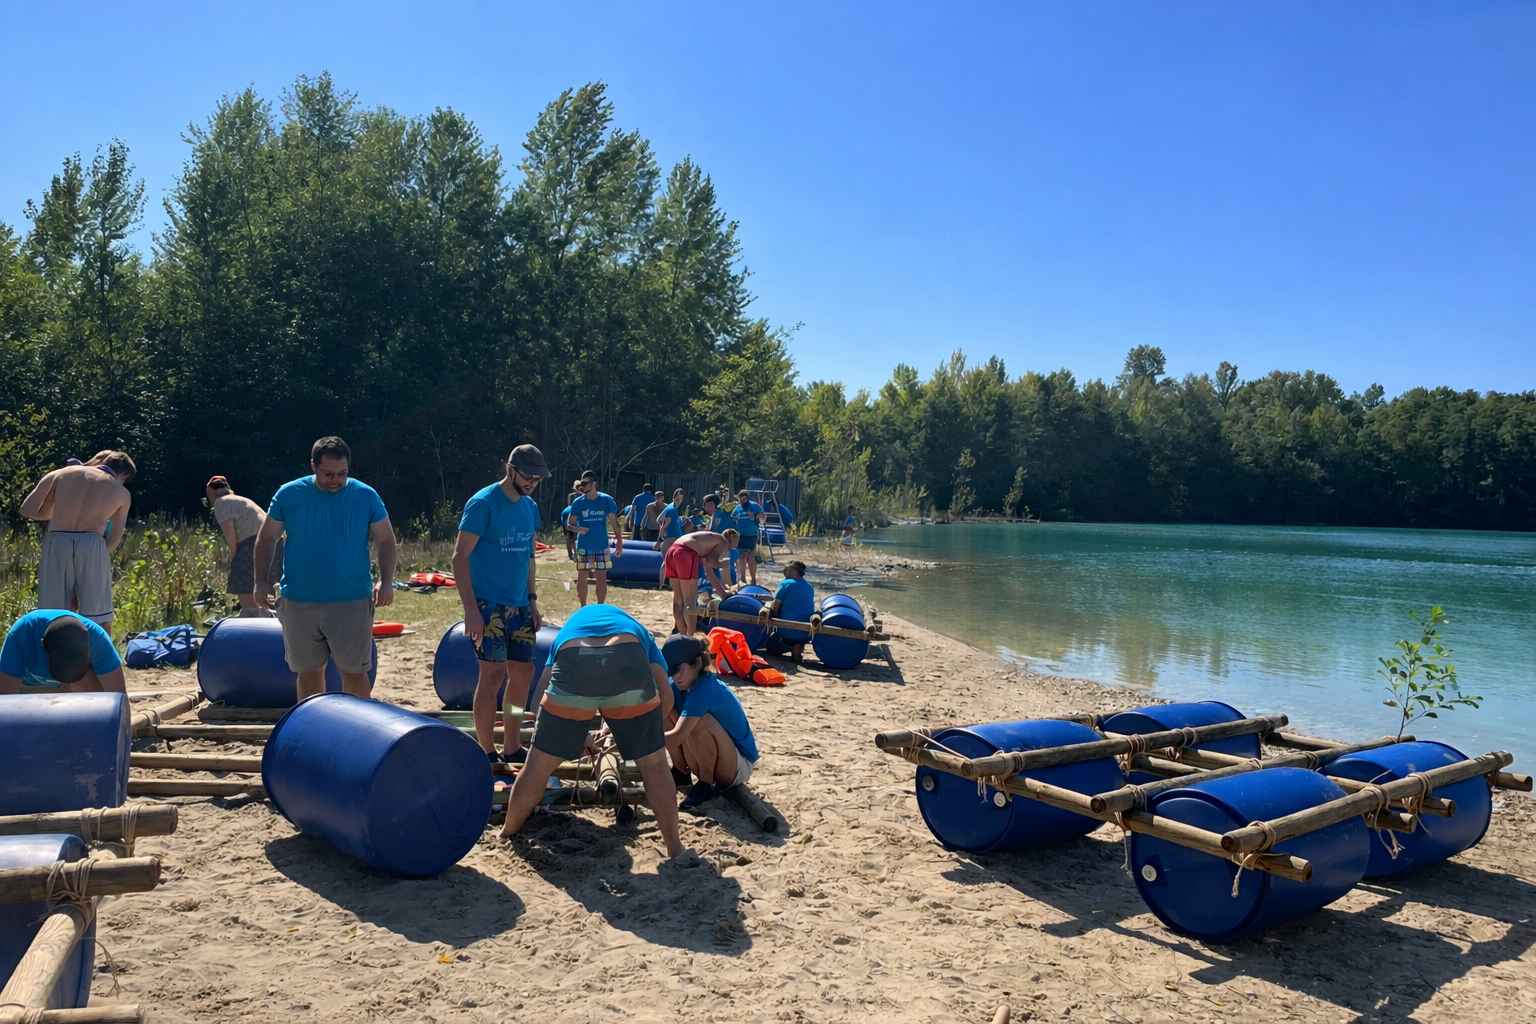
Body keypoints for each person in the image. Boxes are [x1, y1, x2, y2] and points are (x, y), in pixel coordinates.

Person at [497, 604, 687, 859]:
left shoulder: (566, 633)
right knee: (654, 765)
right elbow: (666, 695)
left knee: (536, 768)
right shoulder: (638, 630)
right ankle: (674, 847)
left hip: (575, 661)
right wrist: (641, 732)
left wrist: (579, 736)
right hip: (628, 656)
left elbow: (536, 703)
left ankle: (507, 832)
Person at [254, 436, 396, 702]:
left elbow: (386, 539)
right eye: (328, 474)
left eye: (342, 474)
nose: (336, 480)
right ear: (313, 466)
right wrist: (260, 581)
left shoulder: (365, 495)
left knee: (354, 673)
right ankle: (312, 732)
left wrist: (386, 581)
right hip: (298, 600)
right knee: (308, 673)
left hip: (351, 600)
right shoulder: (289, 494)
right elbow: (267, 538)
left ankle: (358, 731)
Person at [450, 445, 549, 764]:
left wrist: (532, 601)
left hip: (520, 606)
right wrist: (471, 611)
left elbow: (529, 557)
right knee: (491, 677)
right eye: (528, 475)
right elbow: (459, 556)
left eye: (538, 477)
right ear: (510, 469)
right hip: (487, 605)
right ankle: (487, 751)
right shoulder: (483, 503)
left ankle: (511, 744)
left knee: (523, 674)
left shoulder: (530, 507)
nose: (533, 481)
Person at [19, 451, 135, 626]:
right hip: (92, 543)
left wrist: (61, 506)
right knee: (98, 611)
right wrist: (104, 552)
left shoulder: (61, 473)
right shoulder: (121, 491)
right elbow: (117, 529)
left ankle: (53, 649)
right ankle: (98, 651)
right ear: (123, 474)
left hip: (57, 541)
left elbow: (28, 509)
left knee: (53, 611)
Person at [662, 634, 760, 809]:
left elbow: (677, 737)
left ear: (697, 663)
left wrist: (638, 744)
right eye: (670, 670)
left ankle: (707, 784)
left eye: (678, 669)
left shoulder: (706, 688)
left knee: (701, 720)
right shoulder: (678, 683)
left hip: (737, 765)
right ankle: (680, 772)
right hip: (711, 756)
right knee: (665, 708)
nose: (674, 676)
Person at [0, 609, 127, 694]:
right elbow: (5, 700)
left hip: (71, 689)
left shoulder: (98, 640)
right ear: (43, 645)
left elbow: (118, 700)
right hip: (27, 688)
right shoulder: (22, 634)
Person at [205, 476, 275, 617]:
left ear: (209, 491)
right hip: (274, 544)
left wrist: (235, 557)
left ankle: (249, 625)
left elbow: (230, 535)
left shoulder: (221, 503)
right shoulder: (243, 500)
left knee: (246, 592)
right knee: (265, 593)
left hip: (251, 544)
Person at [664, 529, 738, 635]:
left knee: (678, 597)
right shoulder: (723, 542)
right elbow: (712, 564)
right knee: (690, 600)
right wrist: (723, 564)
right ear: (733, 537)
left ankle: (681, 632)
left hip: (672, 550)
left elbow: (708, 570)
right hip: (686, 552)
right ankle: (690, 636)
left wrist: (723, 593)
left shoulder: (710, 540)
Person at [567, 471, 621, 606]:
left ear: (594, 484)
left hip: (602, 545)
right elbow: (569, 524)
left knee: (601, 576)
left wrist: (619, 543)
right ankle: (583, 607)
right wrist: (579, 529)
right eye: (581, 483)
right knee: (582, 575)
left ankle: (600, 607)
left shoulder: (606, 500)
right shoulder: (578, 503)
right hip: (584, 546)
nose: (582, 486)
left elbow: (615, 524)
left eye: (585, 483)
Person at [765, 560, 815, 662]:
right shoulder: (810, 587)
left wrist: (774, 618)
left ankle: (791, 647)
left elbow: (776, 603)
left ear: (792, 570)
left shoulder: (786, 583)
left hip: (786, 631)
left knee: (770, 647)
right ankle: (798, 647)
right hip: (805, 634)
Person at [653, 488, 687, 587]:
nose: (679, 499)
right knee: (666, 562)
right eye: (677, 497)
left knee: (671, 562)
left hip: (675, 537)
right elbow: (663, 525)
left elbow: (659, 519)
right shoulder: (672, 510)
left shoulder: (671, 508)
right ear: (674, 497)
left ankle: (668, 584)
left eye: (681, 497)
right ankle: (662, 584)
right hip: (672, 538)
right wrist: (659, 540)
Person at [731, 489, 765, 585]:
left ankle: (753, 579)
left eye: (745, 498)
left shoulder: (754, 506)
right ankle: (743, 578)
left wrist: (755, 517)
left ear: (748, 498)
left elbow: (763, 518)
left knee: (750, 556)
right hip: (740, 535)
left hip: (752, 535)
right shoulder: (737, 508)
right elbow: (732, 519)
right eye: (741, 498)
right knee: (741, 556)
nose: (743, 500)